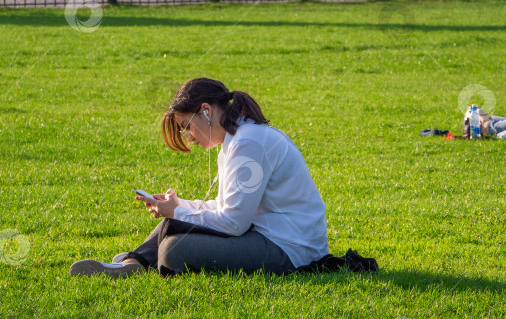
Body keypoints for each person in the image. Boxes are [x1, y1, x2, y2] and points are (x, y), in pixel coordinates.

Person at [70, 78, 330, 278]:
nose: (188, 137)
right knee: (172, 230)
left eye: (186, 127)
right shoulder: (236, 141)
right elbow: (225, 209)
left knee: (174, 250)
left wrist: (178, 212)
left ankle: (134, 263)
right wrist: (179, 206)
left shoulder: (249, 144)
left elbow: (234, 223)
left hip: (290, 250)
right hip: (266, 236)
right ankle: (132, 264)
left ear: (206, 111)